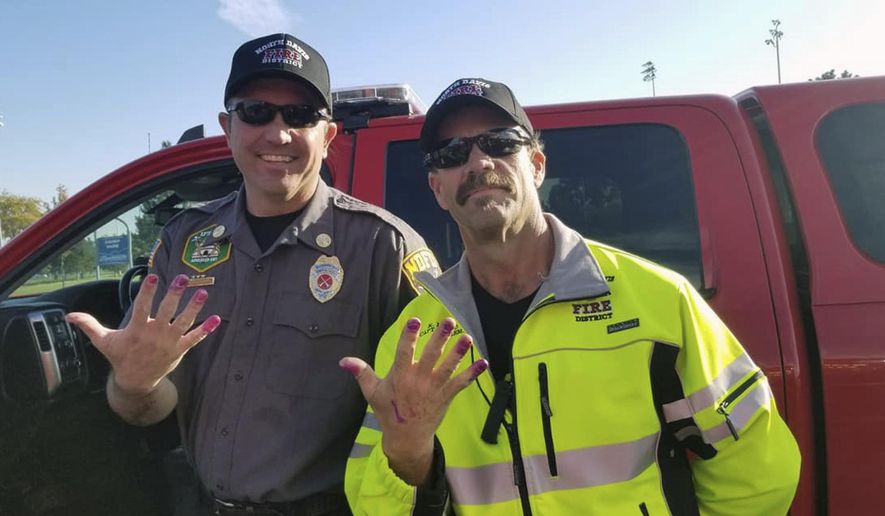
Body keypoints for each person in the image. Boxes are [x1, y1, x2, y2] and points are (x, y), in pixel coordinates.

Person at [340, 78, 801, 515]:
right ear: (437, 190)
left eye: (500, 142)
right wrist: (404, 457)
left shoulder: (660, 302)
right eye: (453, 152)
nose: (479, 162)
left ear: (536, 165)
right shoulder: (412, 341)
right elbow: (372, 505)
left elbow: (756, 469)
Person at [66, 33, 439, 516]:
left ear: (327, 136)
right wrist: (134, 385)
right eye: (256, 111)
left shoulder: (384, 246)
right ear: (228, 126)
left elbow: (437, 421)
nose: (277, 134)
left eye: (300, 115)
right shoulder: (184, 241)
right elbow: (146, 407)